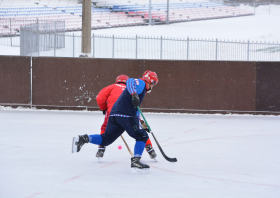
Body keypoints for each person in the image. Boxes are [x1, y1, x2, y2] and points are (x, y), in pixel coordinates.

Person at [72, 71, 159, 173]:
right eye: (154, 84)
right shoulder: (142, 83)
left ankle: (83, 139)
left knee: (106, 139)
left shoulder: (141, 88)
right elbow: (130, 81)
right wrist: (134, 94)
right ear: (151, 82)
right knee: (142, 136)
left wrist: (142, 124)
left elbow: (135, 109)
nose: (153, 87)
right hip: (126, 115)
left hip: (114, 115)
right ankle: (136, 161)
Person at [95, 74, 157, 160]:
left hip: (112, 112)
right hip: (129, 113)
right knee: (140, 132)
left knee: (105, 128)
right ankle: (149, 147)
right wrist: (141, 122)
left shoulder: (112, 86)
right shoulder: (133, 88)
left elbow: (100, 98)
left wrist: (104, 108)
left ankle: (101, 148)